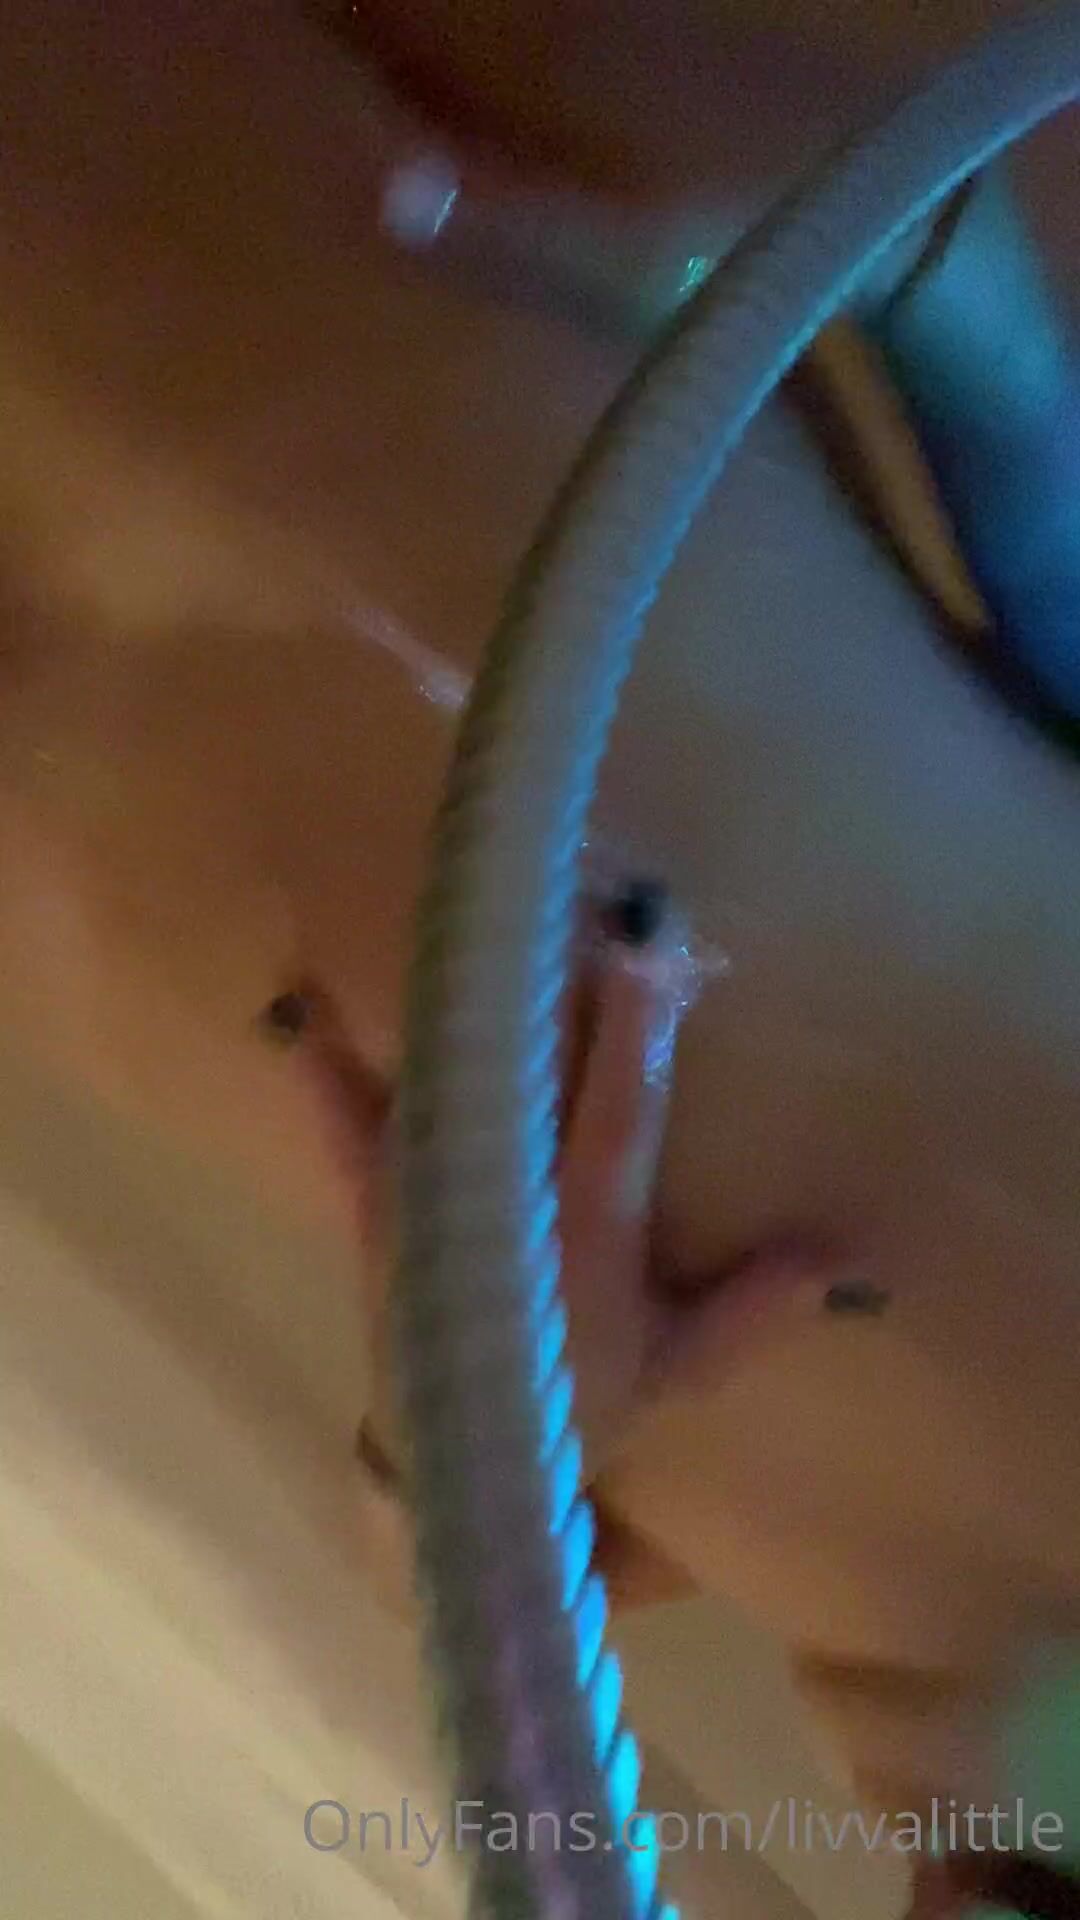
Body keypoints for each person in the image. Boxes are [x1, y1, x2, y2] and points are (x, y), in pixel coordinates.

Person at [0, 0, 1077, 1896]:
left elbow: (473, 1613)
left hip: (88, 851)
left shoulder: (986, 1762)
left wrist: (459, 1444)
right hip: (339, 308)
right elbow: (1014, 451)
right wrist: (893, 266)